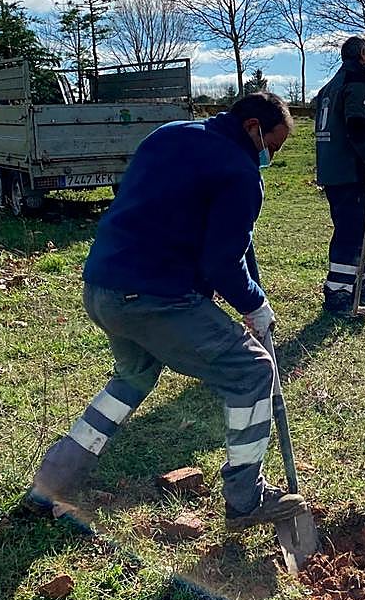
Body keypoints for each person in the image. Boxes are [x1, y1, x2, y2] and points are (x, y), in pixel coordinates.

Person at [26, 93, 309, 531]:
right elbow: (220, 261)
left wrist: (256, 296)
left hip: (103, 287)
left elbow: (236, 244)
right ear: (253, 127)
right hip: (153, 298)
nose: (270, 156)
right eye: (272, 145)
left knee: (133, 377)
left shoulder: (171, 134)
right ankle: (245, 499)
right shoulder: (238, 171)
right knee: (253, 371)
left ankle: (51, 481)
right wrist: (253, 304)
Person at [313, 35, 365, 315]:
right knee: (350, 232)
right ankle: (339, 295)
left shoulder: (331, 85)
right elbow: (357, 126)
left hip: (332, 169)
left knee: (355, 228)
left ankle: (361, 284)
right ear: (364, 55)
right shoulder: (357, 82)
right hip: (350, 169)